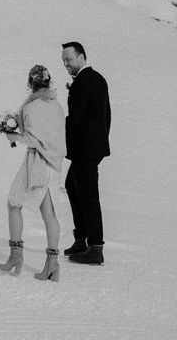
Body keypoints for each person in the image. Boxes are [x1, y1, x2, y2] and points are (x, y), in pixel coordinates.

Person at [0, 65, 66, 282]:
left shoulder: (31, 108)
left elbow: (33, 139)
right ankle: (52, 263)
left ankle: (16, 254)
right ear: (48, 82)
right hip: (54, 165)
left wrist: (15, 137)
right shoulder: (56, 106)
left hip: (36, 164)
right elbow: (54, 137)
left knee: (13, 203)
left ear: (30, 84)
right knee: (50, 214)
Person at [61, 42, 111, 265]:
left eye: (69, 59)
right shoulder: (98, 79)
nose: (65, 64)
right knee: (73, 187)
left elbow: (76, 119)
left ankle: (96, 247)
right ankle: (81, 239)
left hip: (85, 150)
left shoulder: (83, 83)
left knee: (89, 197)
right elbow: (107, 115)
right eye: (63, 60)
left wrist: (55, 130)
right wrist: (100, 141)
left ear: (81, 57)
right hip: (93, 148)